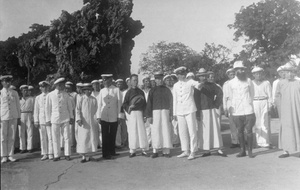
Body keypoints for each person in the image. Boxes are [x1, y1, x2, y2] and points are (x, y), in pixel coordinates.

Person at [227, 61, 256, 158]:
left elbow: (252, 94)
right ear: (235, 71)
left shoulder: (248, 81)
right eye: (239, 69)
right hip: (237, 110)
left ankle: (250, 151)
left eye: (243, 69)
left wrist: (248, 103)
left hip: (248, 109)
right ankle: (242, 150)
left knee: (249, 130)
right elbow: (230, 97)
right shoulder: (230, 83)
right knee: (239, 131)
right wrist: (230, 108)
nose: (241, 71)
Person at [173, 66, 202, 160]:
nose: (182, 75)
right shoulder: (175, 85)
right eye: (180, 74)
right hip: (179, 111)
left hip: (190, 109)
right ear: (177, 75)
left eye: (183, 74)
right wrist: (174, 113)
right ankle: (185, 150)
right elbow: (175, 100)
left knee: (192, 131)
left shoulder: (190, 81)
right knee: (182, 131)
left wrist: (201, 83)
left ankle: (193, 151)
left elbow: (198, 84)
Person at [195, 68, 226, 157]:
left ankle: (218, 148)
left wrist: (216, 104)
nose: (203, 77)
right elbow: (196, 100)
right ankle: (206, 150)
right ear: (199, 77)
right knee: (204, 131)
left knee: (215, 129)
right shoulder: (197, 86)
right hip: (202, 110)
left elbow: (220, 93)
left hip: (212, 109)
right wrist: (197, 113)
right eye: (201, 76)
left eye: (204, 75)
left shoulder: (213, 85)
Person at [45, 77, 74, 161]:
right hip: (55, 119)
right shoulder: (50, 95)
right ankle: (56, 155)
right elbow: (48, 108)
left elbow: (70, 106)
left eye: (63, 85)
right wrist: (47, 120)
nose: (62, 87)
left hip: (65, 118)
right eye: (60, 85)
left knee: (67, 137)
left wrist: (71, 117)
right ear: (56, 85)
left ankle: (67, 154)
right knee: (55, 137)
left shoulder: (66, 94)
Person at [275, 62, 300, 158]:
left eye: (291, 72)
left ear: (294, 73)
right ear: (284, 73)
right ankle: (285, 151)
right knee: (286, 129)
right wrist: (280, 109)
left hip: (297, 110)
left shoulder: (298, 83)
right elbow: (277, 97)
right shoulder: (280, 83)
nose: (289, 74)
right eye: (287, 72)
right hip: (286, 111)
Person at [145, 72, 173, 158]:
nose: (159, 81)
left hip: (165, 112)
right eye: (157, 79)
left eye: (161, 79)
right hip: (155, 112)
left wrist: (171, 114)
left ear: (163, 80)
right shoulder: (152, 90)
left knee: (165, 130)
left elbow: (171, 103)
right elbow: (149, 103)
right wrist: (149, 115)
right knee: (155, 131)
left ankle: (166, 151)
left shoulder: (167, 90)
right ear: (155, 80)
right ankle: (155, 150)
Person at [96, 74, 122, 160]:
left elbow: (119, 104)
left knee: (113, 134)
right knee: (105, 135)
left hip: (114, 115)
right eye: (103, 80)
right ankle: (105, 154)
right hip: (104, 116)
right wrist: (98, 116)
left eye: (105, 80)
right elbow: (99, 104)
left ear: (110, 80)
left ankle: (112, 151)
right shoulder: (102, 91)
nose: (104, 82)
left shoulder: (116, 90)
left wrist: (119, 116)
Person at [122, 74, 149, 158]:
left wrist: (145, 115)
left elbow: (144, 104)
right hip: (132, 114)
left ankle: (143, 150)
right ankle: (132, 150)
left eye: (137, 80)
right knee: (132, 131)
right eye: (134, 80)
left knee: (141, 131)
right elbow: (124, 103)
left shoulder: (141, 92)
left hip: (140, 112)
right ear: (130, 81)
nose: (135, 82)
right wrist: (129, 107)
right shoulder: (128, 92)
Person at [0, 75, 21, 163]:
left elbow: (18, 105)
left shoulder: (14, 93)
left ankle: (10, 155)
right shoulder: (0, 93)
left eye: (9, 81)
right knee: (3, 137)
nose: (8, 83)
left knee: (12, 136)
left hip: (13, 116)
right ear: (2, 82)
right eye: (6, 81)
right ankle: (4, 156)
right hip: (3, 117)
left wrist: (19, 117)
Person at [76, 83, 98, 163]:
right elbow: (77, 110)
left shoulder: (94, 99)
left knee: (91, 137)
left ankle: (90, 155)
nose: (89, 91)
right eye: (87, 90)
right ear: (84, 91)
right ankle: (83, 156)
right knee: (84, 138)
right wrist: (78, 119)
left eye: (90, 90)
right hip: (83, 122)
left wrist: (94, 119)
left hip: (91, 121)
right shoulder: (81, 99)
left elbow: (96, 109)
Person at [251, 67, 272, 148]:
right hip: (255, 102)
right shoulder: (251, 83)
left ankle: (266, 142)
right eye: (256, 74)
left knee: (265, 122)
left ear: (262, 74)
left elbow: (270, 95)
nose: (258, 75)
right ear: (253, 75)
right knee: (257, 123)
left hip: (264, 102)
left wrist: (269, 106)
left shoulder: (266, 83)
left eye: (260, 73)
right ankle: (258, 142)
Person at [34, 81, 53, 160]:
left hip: (50, 119)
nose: (44, 88)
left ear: (48, 87)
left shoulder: (51, 95)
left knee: (50, 137)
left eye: (45, 87)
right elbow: (36, 110)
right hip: (41, 119)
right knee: (43, 137)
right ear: (40, 88)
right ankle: (45, 153)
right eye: (42, 87)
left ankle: (51, 153)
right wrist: (36, 120)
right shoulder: (38, 97)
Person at [223, 68, 239, 148]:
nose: (232, 76)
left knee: (240, 123)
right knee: (232, 123)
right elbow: (224, 97)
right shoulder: (226, 84)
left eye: (233, 74)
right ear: (228, 75)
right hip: (230, 103)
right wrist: (225, 108)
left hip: (238, 103)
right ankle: (234, 141)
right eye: (230, 74)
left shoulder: (238, 82)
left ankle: (241, 140)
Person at [19, 84, 35, 153]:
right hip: (21, 115)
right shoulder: (19, 99)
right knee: (21, 132)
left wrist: (33, 118)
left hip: (29, 114)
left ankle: (29, 148)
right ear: (21, 91)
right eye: (24, 91)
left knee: (30, 131)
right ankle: (22, 148)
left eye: (27, 90)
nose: (26, 92)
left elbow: (34, 109)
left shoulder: (32, 99)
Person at [65, 81, 76, 150]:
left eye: (68, 88)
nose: (67, 90)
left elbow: (74, 107)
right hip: (64, 114)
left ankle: (72, 143)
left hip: (71, 113)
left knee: (71, 129)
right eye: (66, 88)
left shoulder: (73, 95)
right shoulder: (63, 95)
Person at [142, 76, 152, 146]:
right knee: (146, 127)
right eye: (146, 81)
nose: (148, 82)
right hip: (144, 110)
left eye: (148, 81)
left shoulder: (152, 90)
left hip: (151, 111)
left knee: (152, 127)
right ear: (143, 82)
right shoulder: (141, 92)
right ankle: (148, 142)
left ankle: (153, 142)